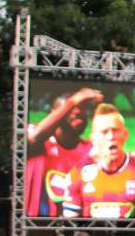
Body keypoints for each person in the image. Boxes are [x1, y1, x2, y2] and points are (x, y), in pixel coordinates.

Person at [25, 87, 103, 216]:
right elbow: (33, 138)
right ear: (55, 113)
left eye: (82, 108)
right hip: (34, 226)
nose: (78, 111)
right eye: (71, 108)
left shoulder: (90, 150)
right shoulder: (38, 136)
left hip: (76, 226)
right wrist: (73, 100)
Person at [63, 104, 135, 219]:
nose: (111, 136)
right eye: (104, 132)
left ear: (125, 134)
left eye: (115, 130)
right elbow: (70, 222)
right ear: (93, 139)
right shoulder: (77, 174)